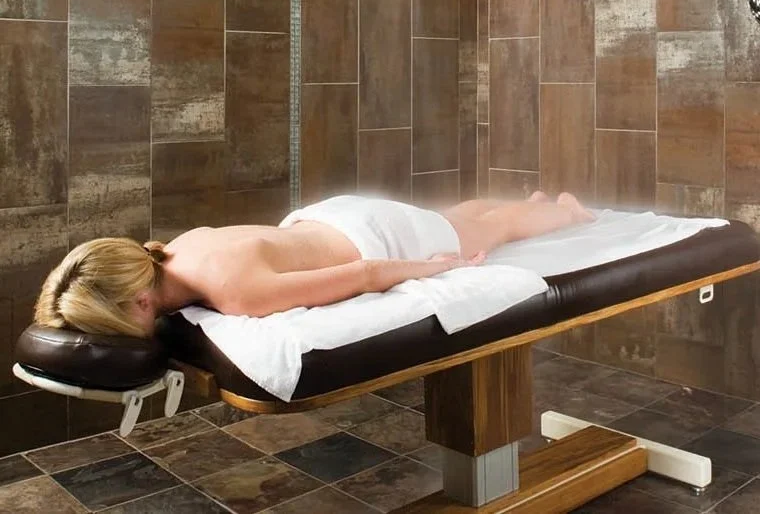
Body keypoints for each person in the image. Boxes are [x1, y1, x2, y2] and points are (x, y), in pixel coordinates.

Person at [34, 191, 595, 338]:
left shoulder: (236, 294)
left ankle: (566, 212)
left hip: (373, 238)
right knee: (452, 218)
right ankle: (533, 204)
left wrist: (439, 269)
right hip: (330, 216)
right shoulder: (178, 246)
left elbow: (366, 275)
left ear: (139, 301)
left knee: (490, 233)